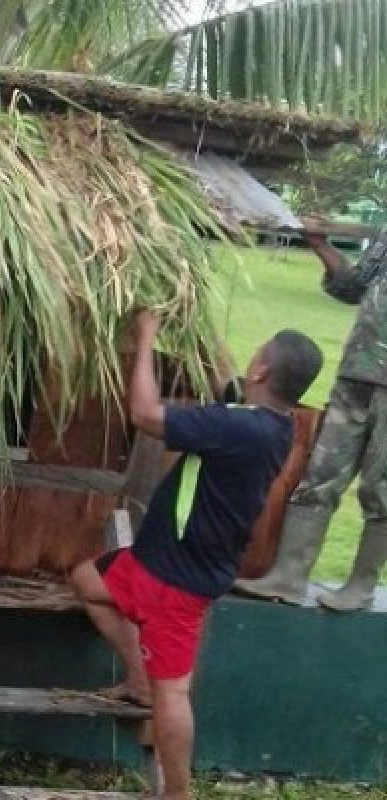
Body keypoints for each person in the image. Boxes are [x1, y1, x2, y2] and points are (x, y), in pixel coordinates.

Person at [68, 311, 322, 800]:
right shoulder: (273, 426)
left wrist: (146, 338)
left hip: (176, 584)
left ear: (262, 373)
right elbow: (228, 395)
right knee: (87, 581)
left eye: (258, 351)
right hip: (151, 564)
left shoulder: (236, 429)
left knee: (175, 692)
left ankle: (177, 793)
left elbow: (144, 413)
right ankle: (138, 681)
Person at [235, 224, 387, 610]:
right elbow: (352, 286)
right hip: (356, 372)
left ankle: (360, 586)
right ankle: (288, 577)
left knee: (380, 488)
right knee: (319, 476)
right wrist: (320, 245)